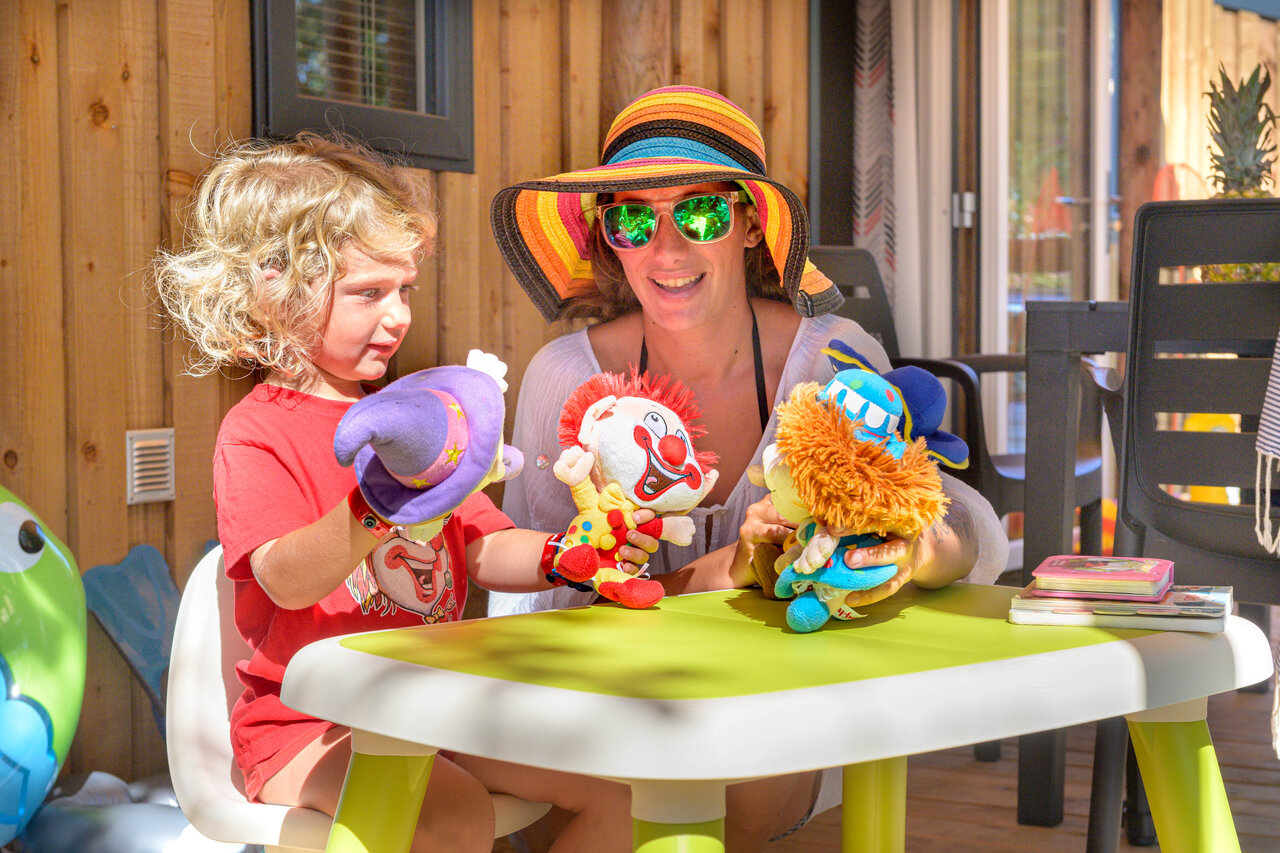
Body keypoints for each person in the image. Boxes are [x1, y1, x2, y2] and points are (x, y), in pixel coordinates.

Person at [487, 85, 1009, 849]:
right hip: (600, 713)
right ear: (609, 240)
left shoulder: (830, 360)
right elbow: (539, 613)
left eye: (701, 213)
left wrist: (908, 545)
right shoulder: (562, 378)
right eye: (633, 218)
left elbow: (973, 531)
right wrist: (725, 567)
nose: (667, 249)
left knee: (706, 785)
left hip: (775, 724)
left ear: (750, 225)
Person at [152, 133, 637, 853]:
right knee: (451, 816)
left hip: (430, 707)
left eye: (404, 289)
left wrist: (567, 554)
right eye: (369, 293)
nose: (398, 315)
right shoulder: (256, 433)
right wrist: (374, 506)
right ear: (275, 293)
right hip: (308, 726)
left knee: (618, 783)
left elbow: (483, 543)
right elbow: (283, 579)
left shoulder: (426, 420)